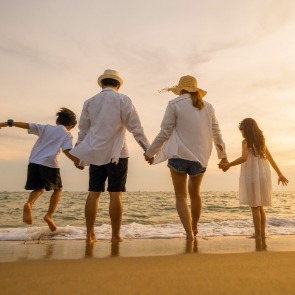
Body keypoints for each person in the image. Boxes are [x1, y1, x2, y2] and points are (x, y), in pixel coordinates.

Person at [70, 69, 150, 244]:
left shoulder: (89, 102)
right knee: (115, 194)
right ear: (118, 85)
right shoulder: (123, 99)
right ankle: (115, 235)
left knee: (93, 193)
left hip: (94, 153)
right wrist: (147, 150)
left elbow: (83, 131)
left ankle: (89, 235)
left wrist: (79, 157)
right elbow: (135, 127)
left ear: (102, 84)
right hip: (118, 153)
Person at [144, 75, 228, 241]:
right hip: (200, 157)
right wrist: (223, 156)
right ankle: (195, 227)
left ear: (181, 90)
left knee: (181, 196)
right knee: (195, 194)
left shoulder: (174, 104)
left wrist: (150, 152)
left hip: (178, 155)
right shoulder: (208, 107)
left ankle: (189, 233)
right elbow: (216, 133)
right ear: (196, 90)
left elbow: (165, 132)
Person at [0, 108, 80, 232]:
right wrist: (76, 161)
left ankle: (29, 204)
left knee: (39, 188)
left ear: (57, 121)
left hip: (33, 162)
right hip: (49, 163)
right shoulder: (67, 134)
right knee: (58, 189)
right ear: (70, 126)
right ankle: (49, 215)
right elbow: (66, 150)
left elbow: (26, 125)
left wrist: (8, 123)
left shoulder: (46, 128)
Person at [219, 118, 288, 239]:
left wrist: (228, 165)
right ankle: (262, 234)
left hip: (252, 175)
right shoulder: (261, 141)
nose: (241, 132)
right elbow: (270, 159)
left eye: (242, 130)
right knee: (260, 206)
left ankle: (257, 234)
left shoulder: (246, 142)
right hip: (263, 175)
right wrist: (280, 174)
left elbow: (244, 158)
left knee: (255, 206)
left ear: (246, 129)